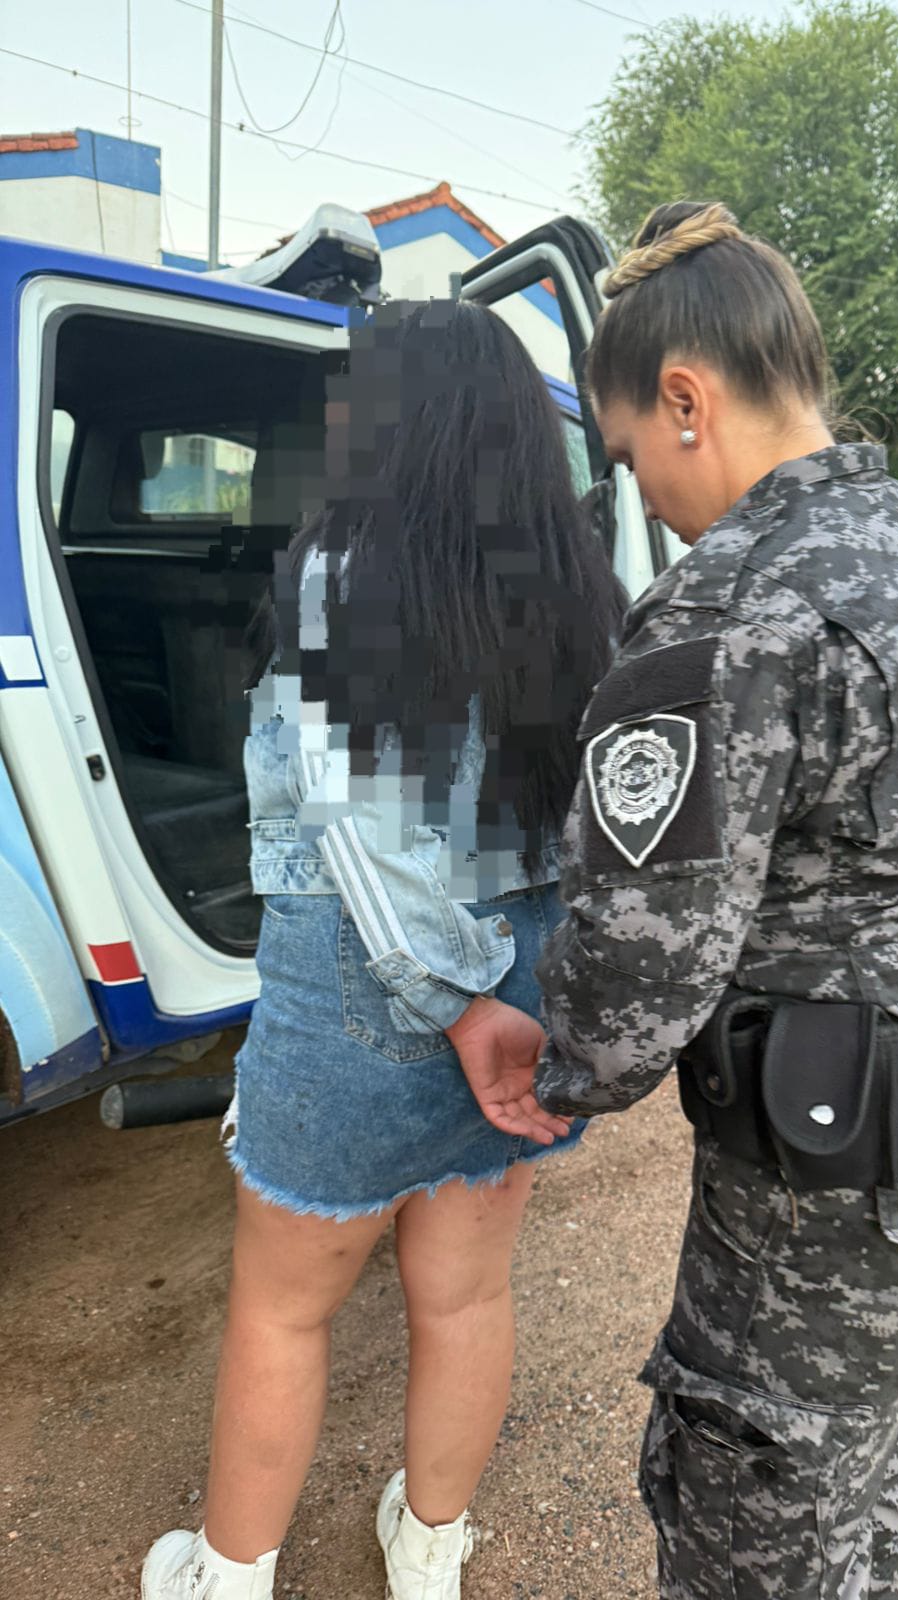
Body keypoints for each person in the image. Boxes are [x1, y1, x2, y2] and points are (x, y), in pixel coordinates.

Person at [532, 202, 898, 1599]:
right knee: (859, 1479)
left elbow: (635, 984)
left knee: (755, 1515)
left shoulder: (729, 610)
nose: (639, 498)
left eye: (628, 456)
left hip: (838, 1199)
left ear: (686, 402)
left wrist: (551, 1068)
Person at [141, 298, 626, 1600]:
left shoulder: (345, 571)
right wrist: (515, 988)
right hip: (521, 978)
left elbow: (359, 829)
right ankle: (429, 1549)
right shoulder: (577, 588)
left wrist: (453, 998)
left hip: (375, 985)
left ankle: (227, 1575)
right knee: (465, 1299)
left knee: (284, 1307)